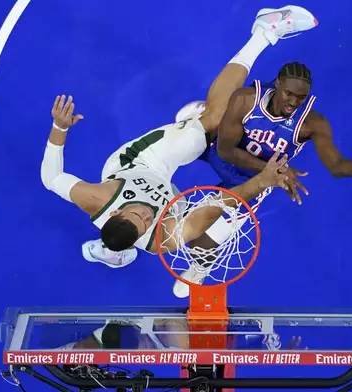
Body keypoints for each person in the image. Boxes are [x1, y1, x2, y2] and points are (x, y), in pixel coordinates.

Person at [40, 6, 319, 267]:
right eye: (145, 222)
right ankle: (112, 251)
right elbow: (220, 202)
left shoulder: (98, 198)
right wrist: (263, 180)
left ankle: (263, 31)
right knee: (201, 238)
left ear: (115, 212)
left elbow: (51, 178)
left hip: (143, 164)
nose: (148, 215)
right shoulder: (165, 237)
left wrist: (60, 127)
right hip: (173, 201)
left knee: (214, 118)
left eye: (138, 214)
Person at [170, 63, 352, 297]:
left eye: (301, 97)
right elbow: (226, 150)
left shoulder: (311, 124)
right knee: (178, 147)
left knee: (201, 244)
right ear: (277, 84)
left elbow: (336, 166)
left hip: (253, 183)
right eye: (289, 94)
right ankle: (207, 115)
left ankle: (200, 268)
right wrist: (272, 170)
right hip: (225, 152)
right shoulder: (246, 99)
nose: (293, 102)